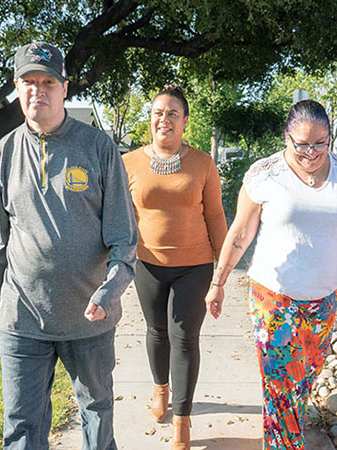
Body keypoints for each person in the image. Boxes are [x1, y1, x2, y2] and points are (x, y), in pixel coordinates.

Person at [205, 99, 337, 450]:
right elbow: (241, 233)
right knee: (279, 386)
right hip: (273, 296)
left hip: (323, 299)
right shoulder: (264, 174)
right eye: (302, 143)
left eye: (321, 142)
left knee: (302, 381)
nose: (312, 152)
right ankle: (283, 445)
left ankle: (282, 437)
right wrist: (218, 283)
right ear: (286, 137)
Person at [0, 42, 137, 450]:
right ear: (16, 87)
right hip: (22, 317)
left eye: (47, 81)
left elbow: (124, 237)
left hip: (90, 317)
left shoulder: (98, 148)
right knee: (21, 425)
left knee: (97, 414)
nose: (38, 91)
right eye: (28, 82)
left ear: (65, 87)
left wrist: (110, 290)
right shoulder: (5, 152)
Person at [122, 84, 227, 450]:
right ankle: (160, 391)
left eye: (172, 113)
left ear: (184, 121)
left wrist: (221, 272)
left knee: (184, 338)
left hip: (194, 265)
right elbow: (122, 216)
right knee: (156, 333)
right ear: (150, 120)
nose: (163, 119)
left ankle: (181, 421)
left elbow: (214, 214)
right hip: (147, 263)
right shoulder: (129, 162)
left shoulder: (202, 163)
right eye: (158, 113)